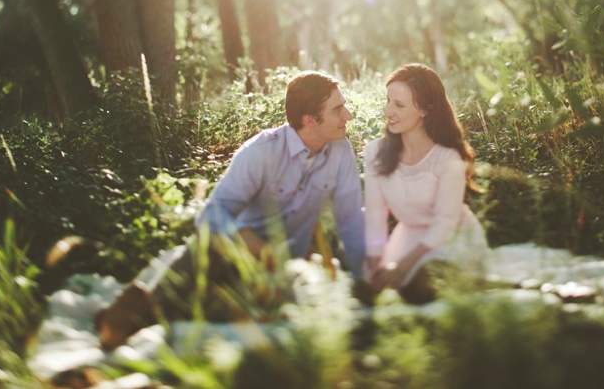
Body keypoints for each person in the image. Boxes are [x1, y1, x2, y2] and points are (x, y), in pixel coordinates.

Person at [96, 71, 365, 348]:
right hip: (235, 262)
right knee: (204, 248)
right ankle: (131, 318)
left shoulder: (340, 151)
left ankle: (151, 312)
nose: (348, 116)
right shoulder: (261, 152)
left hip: (285, 274)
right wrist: (244, 238)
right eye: (337, 109)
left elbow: (351, 221)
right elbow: (211, 214)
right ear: (310, 120)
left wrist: (362, 280)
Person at [364, 64, 487, 304]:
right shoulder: (376, 152)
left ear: (425, 111)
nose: (389, 111)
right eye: (388, 100)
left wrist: (402, 267)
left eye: (399, 105)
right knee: (372, 286)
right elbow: (376, 213)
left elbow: (444, 225)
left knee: (423, 290)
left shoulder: (448, 158)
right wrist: (374, 260)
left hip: (450, 241)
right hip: (407, 239)